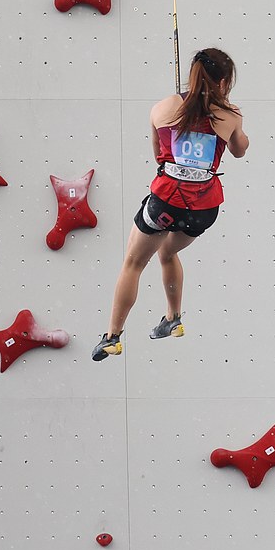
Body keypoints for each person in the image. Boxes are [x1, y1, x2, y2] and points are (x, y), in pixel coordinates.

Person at [92, 49, 249, 361]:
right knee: (168, 251)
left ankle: (112, 337)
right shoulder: (230, 115)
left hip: (167, 202)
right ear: (223, 81)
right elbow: (240, 150)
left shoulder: (162, 108)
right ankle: (173, 318)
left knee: (134, 263)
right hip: (203, 209)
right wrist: (230, 124)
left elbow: (158, 156)